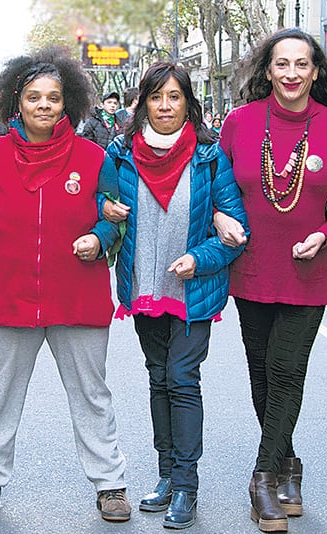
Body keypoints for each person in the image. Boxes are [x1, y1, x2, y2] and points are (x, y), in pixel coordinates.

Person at [0, 46, 131, 524]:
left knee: (93, 395)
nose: (43, 105)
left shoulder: (94, 157)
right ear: (16, 102)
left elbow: (114, 217)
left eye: (53, 98)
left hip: (77, 294)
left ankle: (111, 484)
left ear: (66, 103)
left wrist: (99, 238)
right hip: (8, 294)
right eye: (34, 96)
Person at [216, 27, 327, 532]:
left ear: (316, 72)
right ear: (269, 70)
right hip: (252, 267)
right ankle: (289, 464)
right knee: (262, 374)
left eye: (302, 64)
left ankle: (262, 479)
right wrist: (218, 217)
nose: (292, 73)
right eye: (282, 64)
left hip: (307, 270)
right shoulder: (239, 122)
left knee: (286, 370)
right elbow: (217, 188)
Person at [106, 62, 248, 530]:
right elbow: (96, 206)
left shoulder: (209, 156)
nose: (165, 106)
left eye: (174, 97)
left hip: (193, 289)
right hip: (144, 286)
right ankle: (166, 475)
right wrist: (104, 208)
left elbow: (235, 230)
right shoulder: (121, 152)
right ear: (143, 103)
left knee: (182, 378)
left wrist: (199, 259)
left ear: (188, 103)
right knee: (158, 377)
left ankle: (186, 484)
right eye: (156, 97)